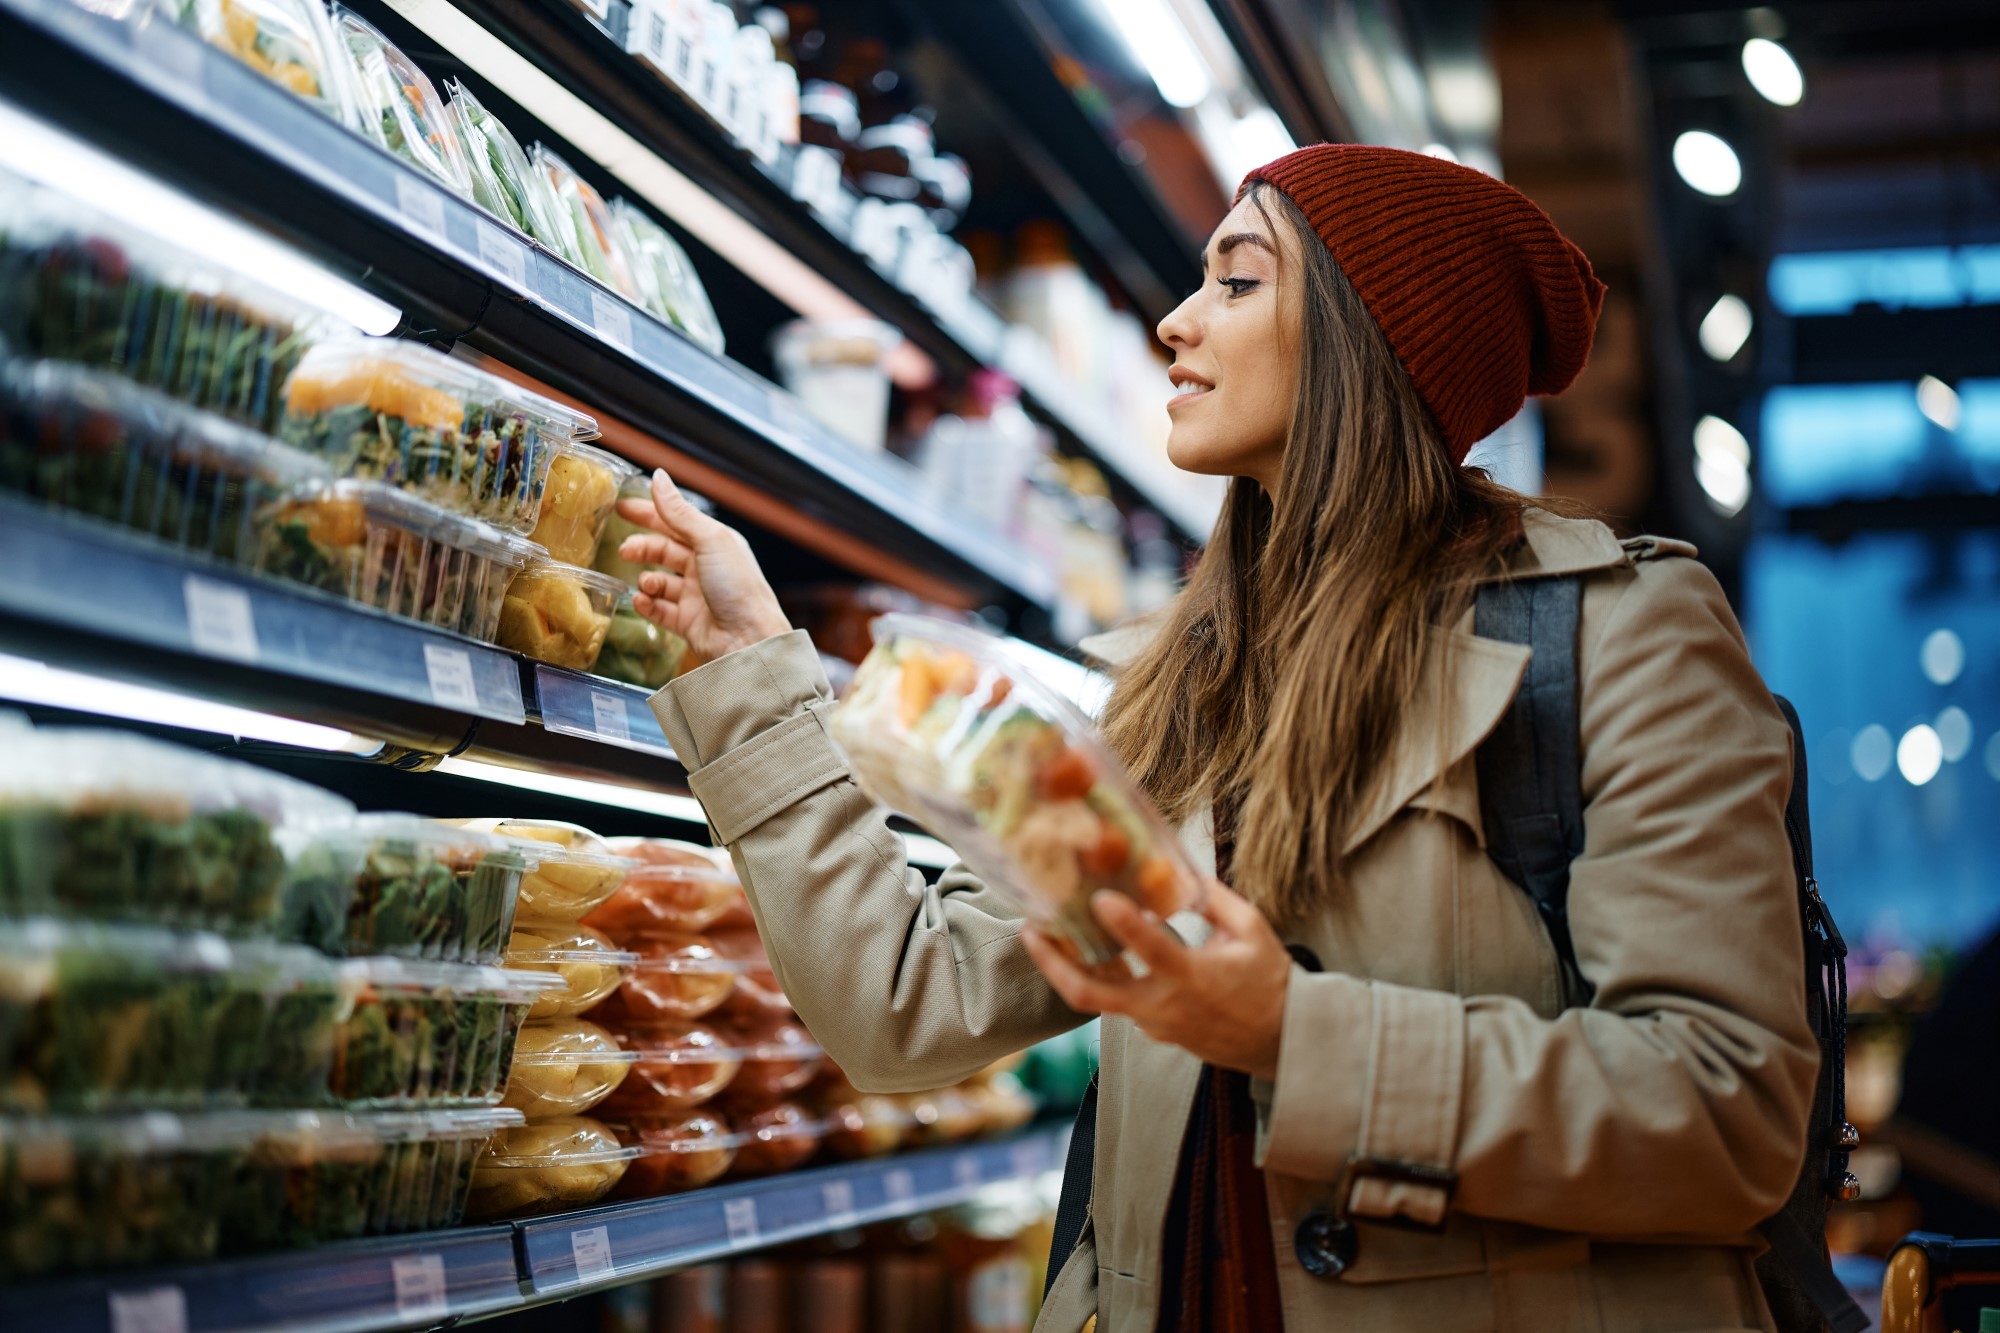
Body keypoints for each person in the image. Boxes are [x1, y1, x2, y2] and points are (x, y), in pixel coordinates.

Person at [618, 145, 1820, 1332]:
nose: (1173, 325)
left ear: (1370, 335)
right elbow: (906, 1004)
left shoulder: (1618, 637)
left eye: (1237, 282)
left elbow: (1725, 1114)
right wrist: (749, 673)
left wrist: (1291, 1035)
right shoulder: (1174, 692)